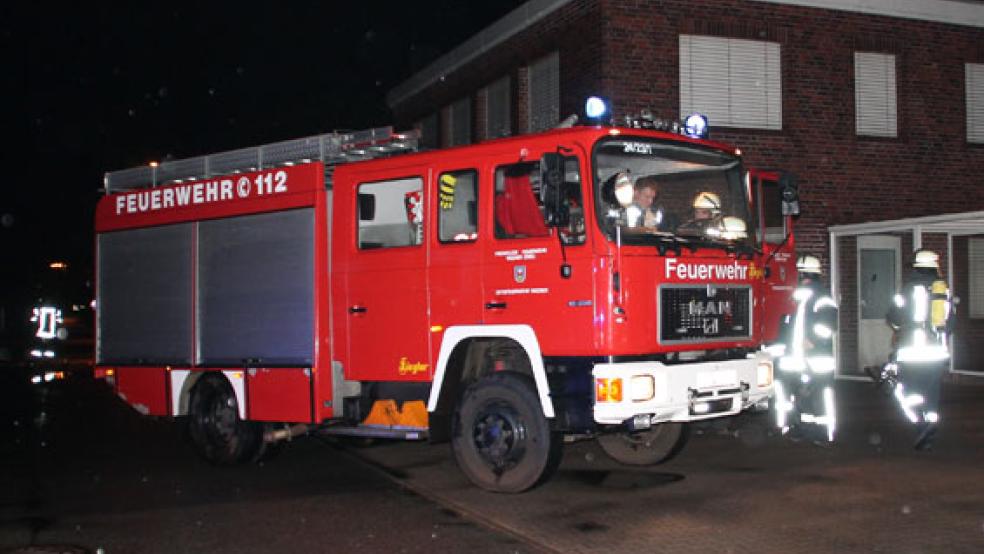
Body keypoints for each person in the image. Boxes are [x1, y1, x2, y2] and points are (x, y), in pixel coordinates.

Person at [881, 249, 953, 451]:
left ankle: (919, 423)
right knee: (931, 392)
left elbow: (893, 318)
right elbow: (950, 322)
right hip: (935, 353)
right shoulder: (942, 290)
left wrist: (901, 329)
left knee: (907, 391)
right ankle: (929, 425)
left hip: (910, 353)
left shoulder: (906, 290)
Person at [770, 255, 839, 443]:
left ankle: (822, 432)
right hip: (794, 358)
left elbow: (828, 325)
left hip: (816, 359)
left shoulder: (822, 298)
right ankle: (800, 428)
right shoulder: (793, 297)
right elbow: (784, 326)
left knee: (819, 397)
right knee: (797, 396)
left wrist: (813, 341)